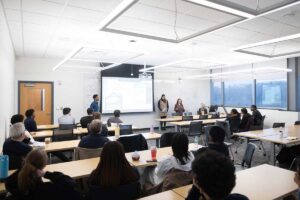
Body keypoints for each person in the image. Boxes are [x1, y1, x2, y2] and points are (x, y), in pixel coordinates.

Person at [5, 149, 81, 200]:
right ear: (44, 165)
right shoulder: (44, 189)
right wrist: (47, 174)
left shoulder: (11, 180)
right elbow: (71, 183)